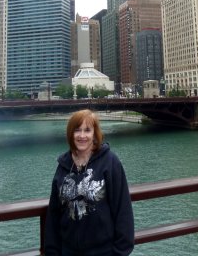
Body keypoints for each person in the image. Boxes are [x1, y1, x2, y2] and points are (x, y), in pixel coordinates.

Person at [44, 109, 134, 256]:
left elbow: (123, 210)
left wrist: (120, 252)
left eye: (87, 130)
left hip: (103, 252)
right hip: (68, 251)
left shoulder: (110, 162)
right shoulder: (63, 165)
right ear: (70, 134)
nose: (82, 136)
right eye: (77, 130)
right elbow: (54, 214)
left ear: (94, 134)